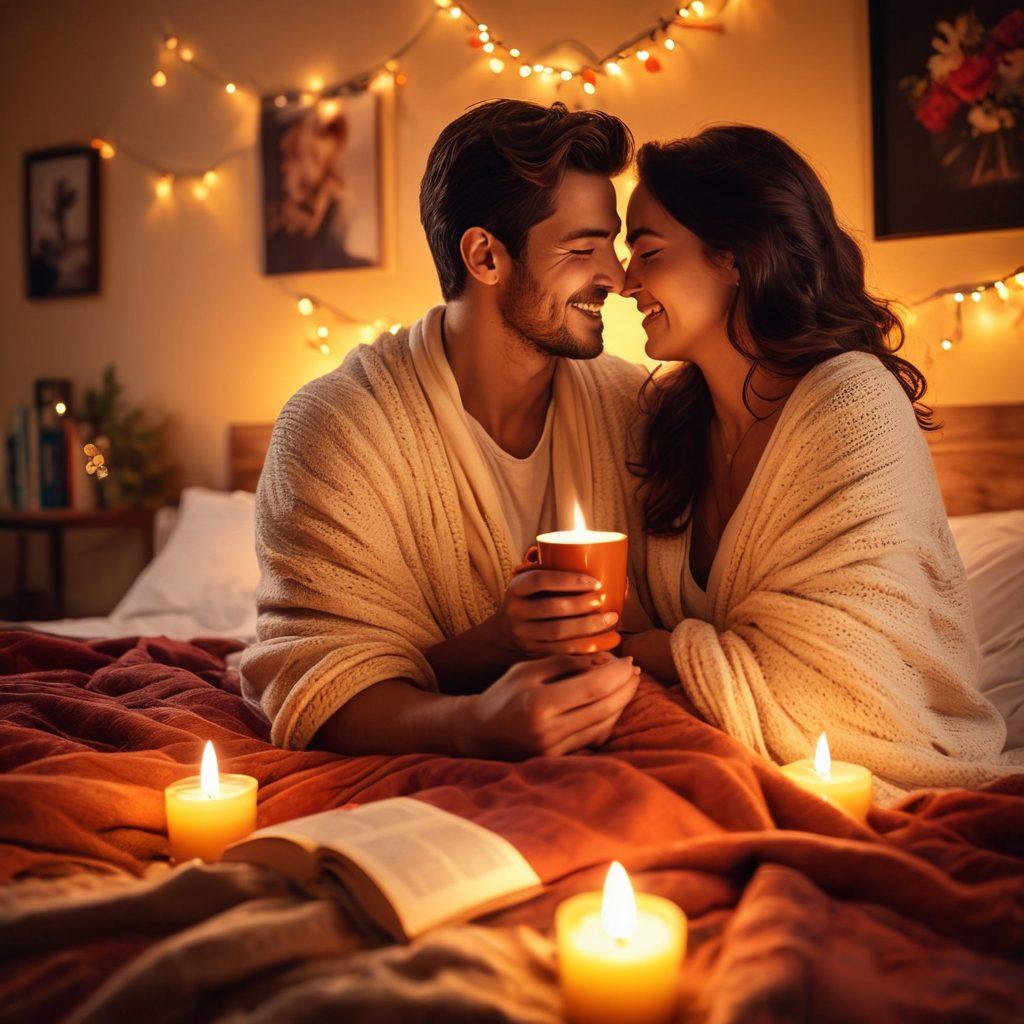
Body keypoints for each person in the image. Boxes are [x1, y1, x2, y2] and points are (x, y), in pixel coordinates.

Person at [617, 124, 1020, 799]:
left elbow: (837, 687)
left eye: (648, 251)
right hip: (709, 748)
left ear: (736, 257)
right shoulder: (669, 422)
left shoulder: (854, 404)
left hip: (873, 759)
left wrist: (639, 646)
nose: (625, 281)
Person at [242, 100, 653, 759]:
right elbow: (320, 683)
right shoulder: (338, 430)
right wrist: (479, 722)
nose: (618, 278)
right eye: (583, 248)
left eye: (614, 245)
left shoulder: (630, 407)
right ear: (485, 256)